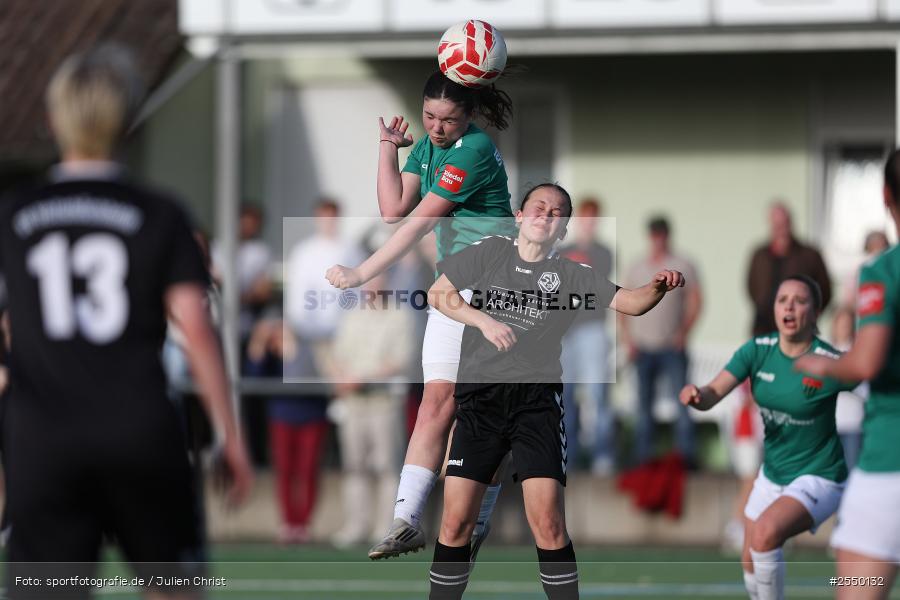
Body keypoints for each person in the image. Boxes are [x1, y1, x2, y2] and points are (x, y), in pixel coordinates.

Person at [0, 46, 253, 599]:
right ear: (130, 122)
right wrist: (229, 436)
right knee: (174, 587)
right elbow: (196, 326)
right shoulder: (158, 213)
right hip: (140, 434)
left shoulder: (16, 214)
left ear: (51, 120)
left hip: (44, 441)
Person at [425, 183, 685, 599]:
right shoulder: (491, 252)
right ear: (520, 216)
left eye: (557, 212)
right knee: (456, 523)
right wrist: (485, 322)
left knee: (547, 523)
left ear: (563, 228)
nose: (546, 215)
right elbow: (440, 294)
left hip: (536, 407)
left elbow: (633, 303)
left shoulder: (572, 275)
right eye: (539, 207)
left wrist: (658, 285)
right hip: (480, 403)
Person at [326, 70, 516, 559]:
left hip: (494, 285)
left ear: (468, 115)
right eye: (429, 116)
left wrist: (361, 272)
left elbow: (417, 225)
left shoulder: (472, 150)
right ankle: (406, 521)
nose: (436, 127)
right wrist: (389, 147)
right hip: (451, 288)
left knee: (478, 418)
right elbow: (393, 209)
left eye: (449, 120)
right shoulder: (429, 146)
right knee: (435, 406)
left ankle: (479, 518)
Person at [680, 275, 853, 600]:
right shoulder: (758, 351)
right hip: (772, 475)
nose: (789, 306)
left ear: (815, 312)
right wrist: (696, 396)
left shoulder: (828, 361)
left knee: (765, 534)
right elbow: (713, 392)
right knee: (749, 558)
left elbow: (874, 381)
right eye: (782, 299)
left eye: (799, 300)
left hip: (819, 475)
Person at [795, 149, 900, 600]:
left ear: (885, 195)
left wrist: (822, 364)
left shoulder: (882, 270)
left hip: (890, 464)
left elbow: (866, 363)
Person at [324, 271, 413, 546]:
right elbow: (337, 356)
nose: (374, 286)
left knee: (386, 466)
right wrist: (341, 378)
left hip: (383, 402)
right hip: (353, 403)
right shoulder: (351, 316)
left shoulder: (399, 316)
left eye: (379, 279)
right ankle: (355, 525)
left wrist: (360, 378)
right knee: (354, 465)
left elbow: (399, 360)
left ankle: (385, 526)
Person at [619, 216, 702, 465]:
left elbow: (696, 301)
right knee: (644, 407)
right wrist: (628, 340)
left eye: (661, 234)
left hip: (671, 346)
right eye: (654, 235)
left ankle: (686, 458)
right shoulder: (637, 266)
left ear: (667, 235)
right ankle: (643, 459)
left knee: (682, 402)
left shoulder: (682, 264)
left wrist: (684, 333)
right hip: (643, 347)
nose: (658, 239)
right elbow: (624, 303)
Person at [558, 198, 616, 473]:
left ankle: (602, 457)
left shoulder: (604, 252)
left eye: (594, 219)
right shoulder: (562, 251)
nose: (589, 224)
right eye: (585, 217)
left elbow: (592, 283)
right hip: (564, 332)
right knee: (565, 396)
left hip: (592, 329)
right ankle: (568, 456)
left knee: (597, 393)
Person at [746, 202, 832, 336]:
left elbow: (825, 290)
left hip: (798, 330)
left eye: (784, 223)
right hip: (763, 328)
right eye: (776, 224)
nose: (781, 228)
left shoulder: (809, 255)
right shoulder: (759, 255)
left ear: (791, 223)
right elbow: (751, 287)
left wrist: (810, 315)